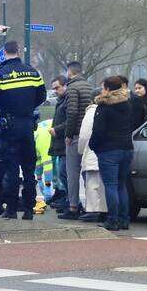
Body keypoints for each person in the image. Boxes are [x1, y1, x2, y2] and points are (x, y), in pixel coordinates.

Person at [0, 40, 47, 220]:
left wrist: (3, 109)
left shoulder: (0, 73)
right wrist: (27, 107)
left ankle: (11, 209)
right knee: (29, 169)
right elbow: (42, 96)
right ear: (18, 51)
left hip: (9, 126)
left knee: (11, 169)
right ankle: (28, 209)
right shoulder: (33, 72)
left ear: (4, 52)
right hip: (27, 124)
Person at [89, 76, 134, 231]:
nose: (102, 90)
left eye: (103, 87)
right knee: (122, 185)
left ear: (107, 89)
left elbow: (98, 131)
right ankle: (124, 219)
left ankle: (112, 220)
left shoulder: (104, 107)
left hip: (109, 150)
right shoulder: (127, 104)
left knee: (110, 185)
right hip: (127, 147)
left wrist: (93, 146)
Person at [59, 61, 94, 220]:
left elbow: (72, 113)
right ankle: (91, 206)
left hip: (75, 135)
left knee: (72, 173)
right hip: (88, 134)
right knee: (88, 172)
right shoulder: (89, 86)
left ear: (70, 72)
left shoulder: (72, 88)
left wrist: (68, 134)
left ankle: (73, 206)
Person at [77, 99, 106, 222]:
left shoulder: (91, 112)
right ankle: (104, 210)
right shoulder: (111, 108)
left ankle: (94, 210)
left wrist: (81, 150)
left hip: (92, 151)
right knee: (104, 185)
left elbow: (84, 135)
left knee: (92, 184)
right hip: (108, 151)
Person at [48, 75, 68, 211]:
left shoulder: (66, 101)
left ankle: (68, 200)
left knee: (63, 173)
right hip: (60, 143)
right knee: (62, 173)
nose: (55, 91)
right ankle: (65, 199)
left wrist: (57, 130)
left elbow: (70, 120)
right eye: (53, 88)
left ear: (65, 85)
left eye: (57, 88)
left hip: (65, 142)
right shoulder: (61, 100)